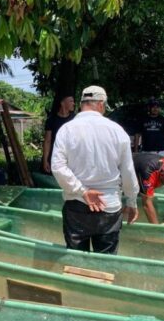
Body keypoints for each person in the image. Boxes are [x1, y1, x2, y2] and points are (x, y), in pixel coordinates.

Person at [51, 85, 139, 254]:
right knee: (106, 263)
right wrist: (132, 201)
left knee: (76, 262)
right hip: (109, 206)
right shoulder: (117, 131)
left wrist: (83, 191)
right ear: (100, 104)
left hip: (77, 205)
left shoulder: (66, 130)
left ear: (82, 103)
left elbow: (57, 166)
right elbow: (128, 171)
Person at [42, 94, 75, 173]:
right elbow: (47, 141)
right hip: (56, 158)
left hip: (72, 158)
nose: (73, 103)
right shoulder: (51, 120)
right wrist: (45, 160)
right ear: (62, 103)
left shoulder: (75, 119)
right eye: (71, 101)